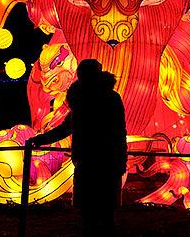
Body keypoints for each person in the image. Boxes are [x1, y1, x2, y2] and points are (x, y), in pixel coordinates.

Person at [31, 59, 127, 236]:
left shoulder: (85, 99)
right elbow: (119, 131)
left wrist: (41, 139)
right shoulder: (105, 98)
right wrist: (42, 139)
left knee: (94, 209)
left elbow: (68, 127)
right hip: (102, 159)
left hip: (94, 159)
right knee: (99, 209)